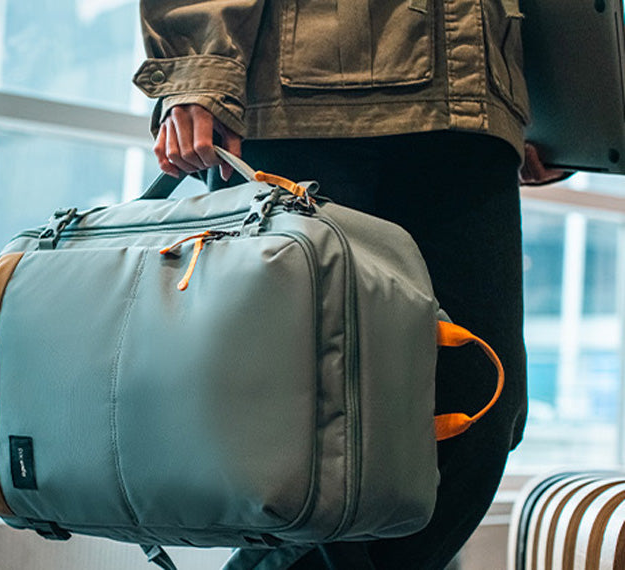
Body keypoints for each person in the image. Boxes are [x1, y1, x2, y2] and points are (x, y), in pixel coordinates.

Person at [133, 2, 565, 568]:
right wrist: (197, 71)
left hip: (473, 109)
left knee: (481, 408)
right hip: (306, 101)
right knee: (309, 435)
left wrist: (559, 111)